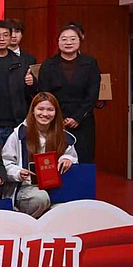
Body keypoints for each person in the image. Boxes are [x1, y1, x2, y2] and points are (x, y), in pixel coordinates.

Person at [2, 92, 77, 218]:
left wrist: (67, 158)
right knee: (41, 198)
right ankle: (27, 222)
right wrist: (18, 173)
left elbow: (73, 158)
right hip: (27, 188)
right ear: (33, 111)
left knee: (67, 206)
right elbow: (6, 163)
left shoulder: (63, 136)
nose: (45, 114)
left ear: (56, 112)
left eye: (50, 110)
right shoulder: (19, 135)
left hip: (55, 186)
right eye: (40, 109)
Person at [38, 24, 100, 164]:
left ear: (80, 41)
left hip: (83, 119)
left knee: (84, 158)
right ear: (58, 41)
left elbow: (92, 94)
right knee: (55, 159)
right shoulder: (48, 65)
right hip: (55, 119)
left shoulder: (90, 63)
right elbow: (44, 94)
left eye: (73, 39)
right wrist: (59, 118)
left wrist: (77, 117)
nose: (68, 42)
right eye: (64, 39)